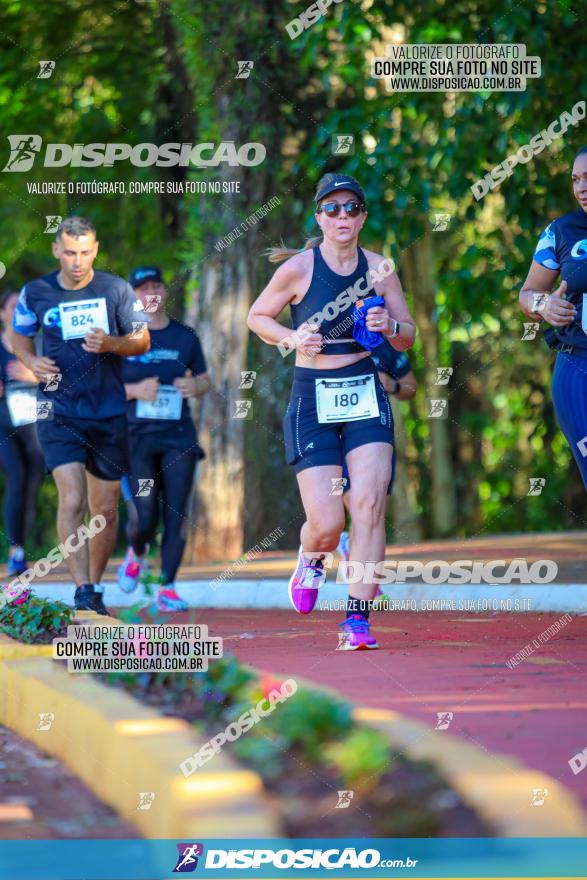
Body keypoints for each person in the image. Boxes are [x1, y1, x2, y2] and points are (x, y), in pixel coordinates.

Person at [247, 173, 416, 651]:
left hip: (364, 388)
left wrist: (391, 324)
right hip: (312, 395)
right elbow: (256, 317)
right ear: (319, 216)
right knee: (328, 524)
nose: (342, 216)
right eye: (332, 208)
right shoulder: (298, 269)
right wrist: (291, 337)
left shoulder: (381, 268)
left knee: (368, 503)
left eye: (351, 208)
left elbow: (408, 335)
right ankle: (312, 554)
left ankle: (357, 620)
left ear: (362, 217)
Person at [6, 216, 150, 614]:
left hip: (106, 410)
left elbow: (142, 339)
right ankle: (83, 588)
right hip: (57, 408)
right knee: (71, 499)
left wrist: (112, 342)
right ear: (56, 250)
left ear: (96, 250)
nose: (77, 261)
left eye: (85, 252)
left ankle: (95, 587)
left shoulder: (115, 290)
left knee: (104, 509)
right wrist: (31, 358)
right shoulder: (35, 292)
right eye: (69, 252)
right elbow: (17, 335)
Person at [117, 266, 210, 613]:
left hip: (178, 437)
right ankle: (137, 551)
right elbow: (102, 389)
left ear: (164, 292)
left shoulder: (185, 337)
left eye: (156, 285)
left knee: (176, 513)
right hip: (136, 439)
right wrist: (134, 390)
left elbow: (204, 379)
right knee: (144, 514)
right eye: (141, 288)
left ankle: (168, 586)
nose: (150, 292)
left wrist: (196, 386)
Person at [519, 146, 587, 490]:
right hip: (578, 368)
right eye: (576, 179)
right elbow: (527, 294)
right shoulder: (560, 232)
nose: (581, 188)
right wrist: (544, 306)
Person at [337, 343, 417, 598]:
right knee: (360, 508)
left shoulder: (389, 345)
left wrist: (391, 385)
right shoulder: (335, 337)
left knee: (374, 512)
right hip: (338, 430)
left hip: (377, 434)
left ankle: (357, 557)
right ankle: (364, 585)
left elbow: (411, 388)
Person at [0, 289, 45, 576]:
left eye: (23, 306)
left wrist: (35, 375)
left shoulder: (38, 343)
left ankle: (21, 545)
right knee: (16, 476)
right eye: (13, 306)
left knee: (32, 483)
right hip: (3, 423)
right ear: (2, 313)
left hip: (36, 422)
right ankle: (16, 551)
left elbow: (62, 379)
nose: (18, 310)